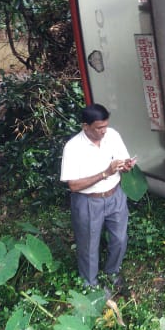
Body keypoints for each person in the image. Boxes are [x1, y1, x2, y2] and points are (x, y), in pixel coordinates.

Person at [60, 104, 137, 291]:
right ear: (85, 126)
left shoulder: (113, 135)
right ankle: (90, 285)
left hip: (115, 195)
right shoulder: (73, 147)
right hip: (87, 201)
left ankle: (112, 273)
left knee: (120, 238)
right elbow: (73, 185)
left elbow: (122, 160)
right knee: (88, 245)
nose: (104, 131)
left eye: (105, 126)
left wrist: (127, 166)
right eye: (99, 128)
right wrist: (104, 173)